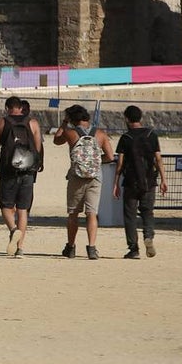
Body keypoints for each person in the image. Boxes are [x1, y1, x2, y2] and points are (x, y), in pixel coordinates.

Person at [54, 104, 115, 259]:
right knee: (91, 213)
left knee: (73, 213)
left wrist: (64, 123)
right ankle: (92, 248)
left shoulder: (70, 133)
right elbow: (110, 156)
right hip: (95, 177)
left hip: (76, 176)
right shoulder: (100, 134)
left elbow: (56, 140)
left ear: (72, 118)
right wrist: (95, 161)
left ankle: (71, 247)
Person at [0, 96, 44, 258]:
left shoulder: (2, 122)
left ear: (7, 108)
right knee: (22, 209)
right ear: (21, 108)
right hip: (27, 171)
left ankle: (13, 230)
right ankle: (20, 248)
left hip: (8, 170)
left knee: (6, 206)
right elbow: (37, 148)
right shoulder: (33, 123)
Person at [113, 105, 167, 259]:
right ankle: (148, 236)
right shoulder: (151, 135)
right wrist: (163, 179)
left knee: (130, 215)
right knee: (147, 212)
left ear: (127, 119)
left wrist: (116, 183)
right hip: (149, 180)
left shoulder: (126, 138)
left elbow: (120, 163)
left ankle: (133, 249)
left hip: (131, 181)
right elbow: (158, 159)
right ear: (140, 118)